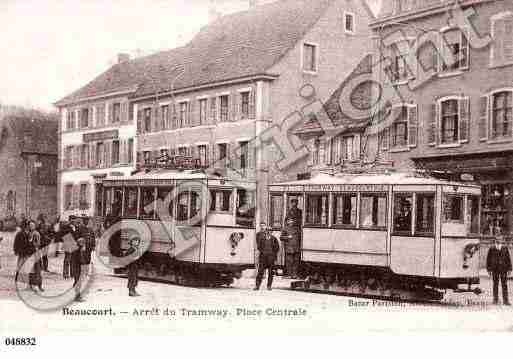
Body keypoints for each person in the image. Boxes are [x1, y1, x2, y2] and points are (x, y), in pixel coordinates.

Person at [254, 222, 280, 291]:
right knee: (260, 272)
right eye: (267, 231)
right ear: (266, 232)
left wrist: (274, 256)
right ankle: (257, 286)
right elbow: (259, 247)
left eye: (270, 231)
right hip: (263, 258)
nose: (269, 232)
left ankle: (269, 286)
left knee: (271, 273)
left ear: (272, 232)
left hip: (271, 258)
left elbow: (277, 248)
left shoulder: (274, 239)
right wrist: (262, 253)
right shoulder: (262, 238)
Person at [487, 237, 512, 305]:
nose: (498, 241)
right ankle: (495, 300)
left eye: (500, 239)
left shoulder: (505, 248)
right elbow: (488, 259)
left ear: (502, 240)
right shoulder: (492, 248)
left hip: (503, 269)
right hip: (495, 269)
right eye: (497, 240)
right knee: (495, 285)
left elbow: (508, 259)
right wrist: (489, 270)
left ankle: (506, 301)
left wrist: (509, 269)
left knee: (504, 285)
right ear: (495, 240)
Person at [282, 198, 302, 278]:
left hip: (296, 247)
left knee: (296, 261)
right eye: (293, 203)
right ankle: (289, 274)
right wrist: (287, 237)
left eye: (295, 203)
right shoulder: (286, 228)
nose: (294, 204)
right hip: (289, 247)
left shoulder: (297, 228)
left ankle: (294, 274)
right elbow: (282, 237)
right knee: (289, 261)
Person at [27, 220, 44, 292]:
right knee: (31, 270)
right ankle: (31, 285)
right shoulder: (28, 234)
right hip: (29, 254)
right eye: (30, 225)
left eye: (32, 225)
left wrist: (31, 243)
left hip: (36, 254)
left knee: (37, 270)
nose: (31, 227)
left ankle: (39, 285)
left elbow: (38, 244)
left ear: (35, 226)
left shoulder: (36, 233)